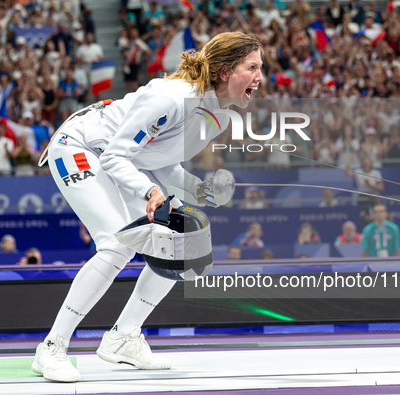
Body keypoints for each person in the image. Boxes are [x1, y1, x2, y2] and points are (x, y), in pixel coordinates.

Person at [33, 32, 264, 382]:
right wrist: (149, 192)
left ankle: (123, 336)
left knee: (184, 242)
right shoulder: (170, 98)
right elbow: (116, 155)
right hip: (79, 146)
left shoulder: (220, 117)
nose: (261, 76)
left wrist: (198, 188)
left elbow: (158, 160)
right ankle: (52, 347)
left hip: (121, 160)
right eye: (252, 67)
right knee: (115, 245)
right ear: (225, 72)